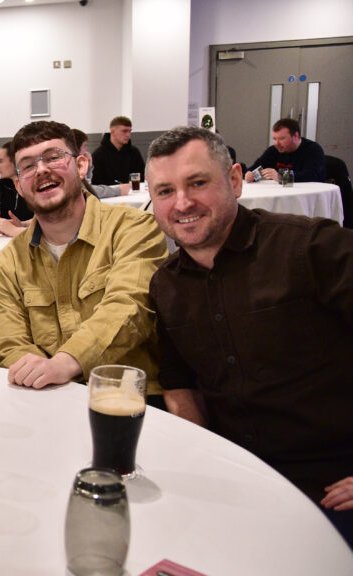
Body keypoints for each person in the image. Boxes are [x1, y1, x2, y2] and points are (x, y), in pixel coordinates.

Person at [145, 126, 353, 546]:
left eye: (198, 183)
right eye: (165, 191)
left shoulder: (311, 248)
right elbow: (180, 384)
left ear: (236, 181)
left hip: (331, 484)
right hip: (237, 481)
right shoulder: (165, 285)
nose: (182, 203)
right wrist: (201, 465)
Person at [0, 121, 167, 403]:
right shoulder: (11, 260)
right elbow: (10, 343)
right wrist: (42, 376)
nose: (42, 170)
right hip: (49, 401)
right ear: (19, 186)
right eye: (28, 165)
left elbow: (129, 307)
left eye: (53, 157)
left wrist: (63, 364)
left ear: (81, 166)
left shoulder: (134, 230)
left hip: (128, 403)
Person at [244, 117, 326, 183]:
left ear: (296, 136)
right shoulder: (273, 150)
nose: (276, 143)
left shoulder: (313, 149)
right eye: (274, 139)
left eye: (281, 138)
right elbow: (255, 168)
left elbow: (312, 175)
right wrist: (249, 175)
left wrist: (282, 176)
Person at [71, 129, 131, 199]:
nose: (86, 150)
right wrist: (117, 190)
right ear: (76, 148)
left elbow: (87, 185)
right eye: (84, 146)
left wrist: (89, 166)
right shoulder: (70, 166)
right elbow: (86, 190)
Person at [90, 116, 146, 186]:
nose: (128, 135)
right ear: (113, 132)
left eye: (129, 131)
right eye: (124, 131)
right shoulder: (98, 155)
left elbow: (141, 176)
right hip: (109, 195)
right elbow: (96, 183)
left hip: (132, 193)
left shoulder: (134, 152)